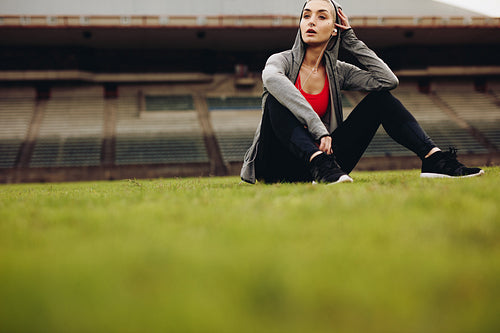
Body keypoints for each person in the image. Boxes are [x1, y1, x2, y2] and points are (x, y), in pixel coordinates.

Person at [240, 0, 484, 184]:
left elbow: (387, 81)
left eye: (321, 16)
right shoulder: (280, 61)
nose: (311, 21)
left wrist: (352, 41)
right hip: (276, 164)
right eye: (306, 16)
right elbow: (271, 79)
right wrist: (318, 129)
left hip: (328, 164)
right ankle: (319, 163)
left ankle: (434, 159)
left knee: (380, 100)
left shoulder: (338, 70)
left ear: (335, 29)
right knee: (275, 99)